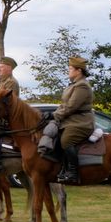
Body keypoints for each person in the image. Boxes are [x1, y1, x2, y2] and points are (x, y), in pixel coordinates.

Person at [46, 56, 94, 184]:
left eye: (70, 68)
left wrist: (54, 116)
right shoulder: (73, 85)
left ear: (78, 70)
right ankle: (61, 168)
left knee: (66, 140)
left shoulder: (82, 86)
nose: (68, 71)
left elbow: (71, 106)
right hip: (70, 121)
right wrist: (53, 114)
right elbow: (63, 105)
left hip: (81, 122)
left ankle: (73, 172)